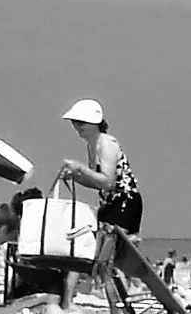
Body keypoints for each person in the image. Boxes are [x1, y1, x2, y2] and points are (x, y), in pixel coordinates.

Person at [56, 99, 143, 236]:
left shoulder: (107, 143)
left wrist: (80, 169)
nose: (77, 126)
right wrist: (75, 177)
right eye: (74, 122)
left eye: (81, 123)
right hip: (109, 202)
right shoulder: (92, 145)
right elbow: (97, 183)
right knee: (101, 242)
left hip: (124, 201)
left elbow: (107, 182)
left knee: (111, 244)